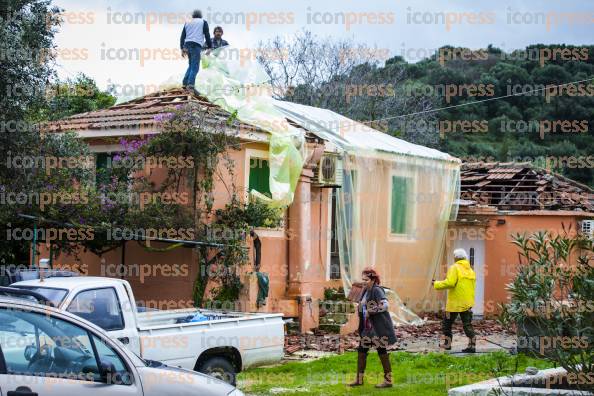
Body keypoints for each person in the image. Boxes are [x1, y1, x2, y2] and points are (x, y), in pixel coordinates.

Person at [349, 267, 397, 388]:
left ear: (373, 279)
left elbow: (385, 305)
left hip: (377, 328)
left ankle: (388, 381)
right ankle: (359, 380)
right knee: (361, 351)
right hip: (367, 328)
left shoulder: (377, 290)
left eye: (366, 279)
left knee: (381, 351)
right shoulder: (365, 290)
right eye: (363, 279)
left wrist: (372, 310)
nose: (364, 281)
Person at [433, 248, 477, 353]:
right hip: (467, 303)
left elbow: (450, 283)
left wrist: (436, 283)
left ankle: (447, 345)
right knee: (467, 324)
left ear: (456, 257)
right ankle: (472, 346)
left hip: (454, 304)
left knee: (447, 323)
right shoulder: (470, 270)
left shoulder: (454, 268)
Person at [180, 9, 212, 90]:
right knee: (195, 67)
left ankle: (185, 83)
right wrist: (210, 46)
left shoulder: (187, 22)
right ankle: (190, 85)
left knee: (191, 65)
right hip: (196, 45)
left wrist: (182, 48)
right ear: (200, 16)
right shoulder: (203, 22)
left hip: (187, 45)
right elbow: (207, 35)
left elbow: (182, 36)